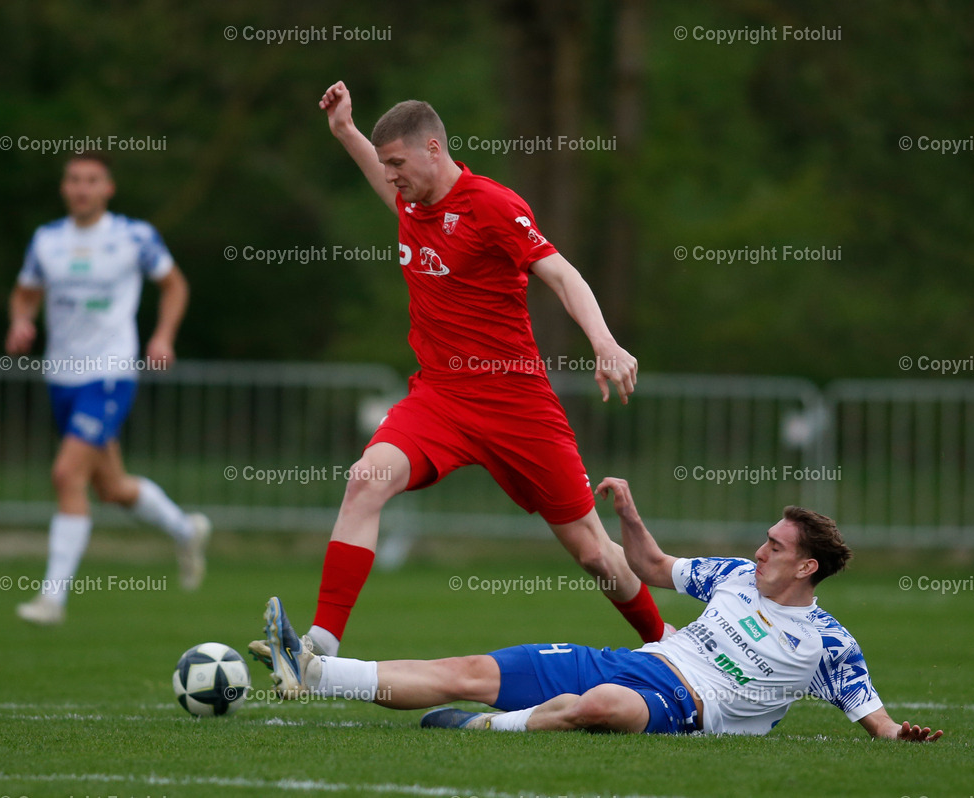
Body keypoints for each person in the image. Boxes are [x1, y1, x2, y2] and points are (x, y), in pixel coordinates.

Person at [249, 80, 667, 664]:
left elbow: (563, 274)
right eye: (385, 164)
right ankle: (317, 650)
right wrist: (344, 130)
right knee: (366, 479)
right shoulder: (410, 201)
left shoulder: (492, 205)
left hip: (516, 404)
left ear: (434, 150)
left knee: (594, 552)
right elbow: (379, 173)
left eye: (398, 163)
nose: (390, 175)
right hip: (440, 398)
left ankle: (667, 645)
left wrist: (604, 342)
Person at [258, 477, 942, 742]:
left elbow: (870, 714)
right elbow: (653, 567)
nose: (759, 551)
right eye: (765, 540)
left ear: (807, 566)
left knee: (604, 706)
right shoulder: (734, 577)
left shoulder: (826, 642)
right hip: (635, 661)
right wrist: (630, 515)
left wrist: (897, 734)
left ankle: (488, 729)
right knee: (469, 669)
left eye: (775, 546)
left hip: (684, 706)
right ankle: (313, 673)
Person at [5, 151, 211, 625]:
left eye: (92, 180)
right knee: (112, 487)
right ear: (64, 187)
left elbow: (174, 286)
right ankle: (186, 529)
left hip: (110, 373)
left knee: (66, 475)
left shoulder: (133, 236)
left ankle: (51, 599)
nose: (82, 188)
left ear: (108, 188)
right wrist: (20, 320)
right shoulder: (47, 240)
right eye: (74, 179)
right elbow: (26, 292)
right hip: (62, 377)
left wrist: (162, 336)